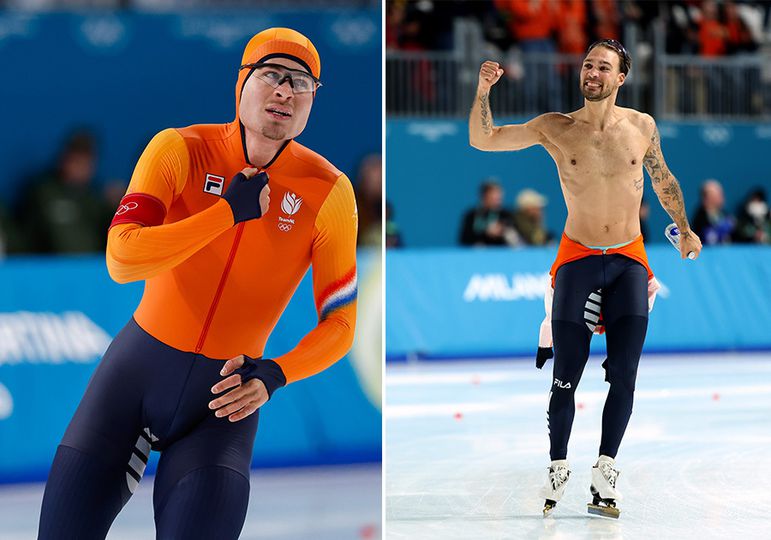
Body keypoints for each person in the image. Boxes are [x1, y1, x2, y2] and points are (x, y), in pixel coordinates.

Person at [38, 27, 358, 540]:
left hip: (224, 403)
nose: (285, 91)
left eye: (302, 83)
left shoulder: (330, 192)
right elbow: (122, 258)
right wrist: (226, 213)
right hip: (133, 378)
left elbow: (341, 323)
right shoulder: (179, 149)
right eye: (272, 75)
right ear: (242, 83)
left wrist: (276, 374)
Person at [469, 39, 702, 518]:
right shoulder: (555, 128)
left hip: (629, 259)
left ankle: (606, 467)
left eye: (603, 66)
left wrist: (685, 226)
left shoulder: (642, 127)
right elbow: (483, 138)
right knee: (566, 376)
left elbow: (662, 178)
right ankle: (558, 464)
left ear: (621, 77)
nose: (592, 72)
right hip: (577, 258)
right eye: (587, 64)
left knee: (625, 374)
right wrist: (483, 91)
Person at [17, 130, 114, 253]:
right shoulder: (43, 192)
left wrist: (115, 206)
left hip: (91, 267)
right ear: (64, 159)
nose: (81, 168)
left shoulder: (97, 197)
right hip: (49, 268)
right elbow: (28, 235)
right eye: (77, 160)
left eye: (87, 162)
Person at [459, 179, 520, 246]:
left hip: (502, 253)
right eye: (493, 194)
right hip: (478, 254)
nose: (498, 197)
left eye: (499, 194)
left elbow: (517, 241)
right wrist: (486, 233)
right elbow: (463, 240)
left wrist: (503, 231)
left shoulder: (507, 215)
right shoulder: (471, 215)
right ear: (484, 195)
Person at [691, 179, 735, 245]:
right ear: (705, 199)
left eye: (721, 194)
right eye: (716, 195)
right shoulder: (699, 219)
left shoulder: (725, 214)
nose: (721, 198)